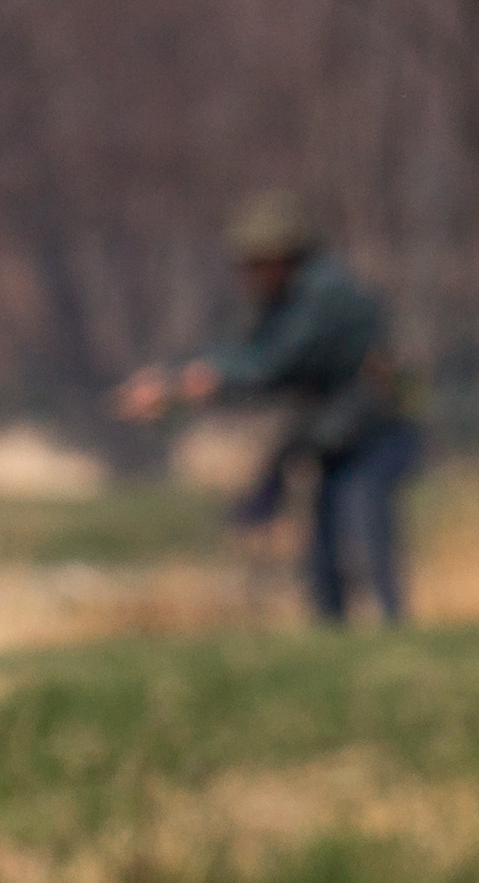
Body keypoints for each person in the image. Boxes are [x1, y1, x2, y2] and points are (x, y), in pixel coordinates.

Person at [117, 196, 423, 629]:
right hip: (337, 438)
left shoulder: (323, 294)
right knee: (323, 549)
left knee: (365, 534)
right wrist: (179, 382)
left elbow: (271, 362)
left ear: (284, 256)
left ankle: (392, 631)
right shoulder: (290, 298)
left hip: (375, 436)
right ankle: (335, 638)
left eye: (256, 263)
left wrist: (185, 383)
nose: (249, 276)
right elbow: (246, 353)